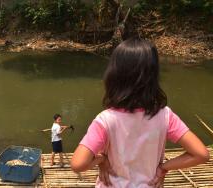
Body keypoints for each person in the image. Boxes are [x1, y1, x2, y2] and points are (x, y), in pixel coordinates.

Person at [71, 38, 210, 187]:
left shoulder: (105, 120)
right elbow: (201, 154)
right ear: (153, 76)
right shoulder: (165, 116)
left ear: (114, 75)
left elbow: (78, 164)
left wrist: (101, 160)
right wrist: (164, 168)